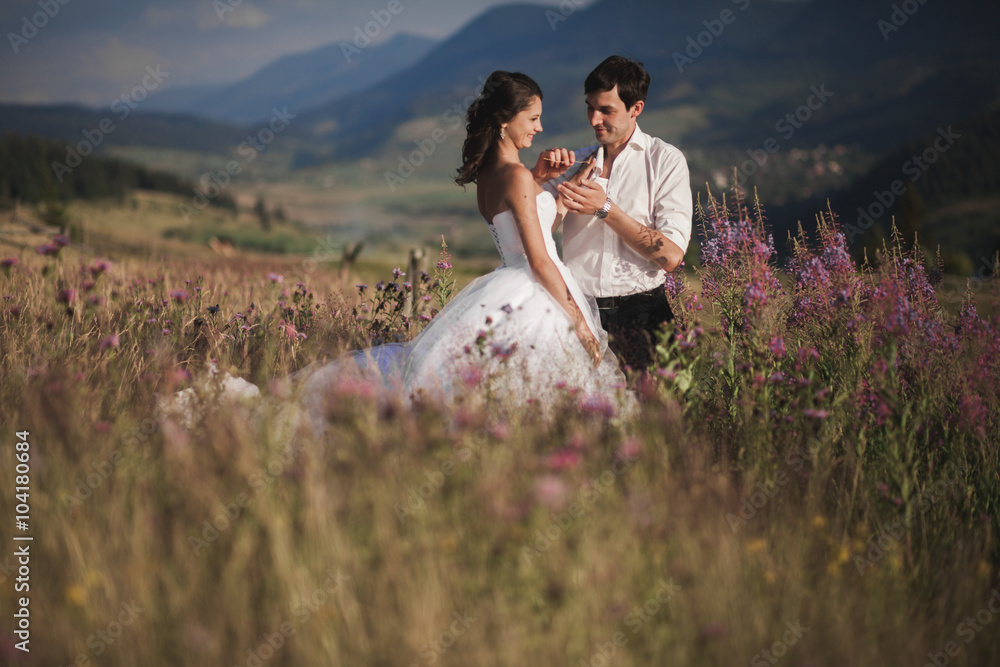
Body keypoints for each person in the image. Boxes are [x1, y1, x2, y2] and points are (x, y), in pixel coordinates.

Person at [399, 70, 627, 410]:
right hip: (537, 293)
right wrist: (582, 327)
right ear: (504, 120)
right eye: (533, 119)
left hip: (510, 286)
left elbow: (526, 235)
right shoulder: (516, 175)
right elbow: (538, 259)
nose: (539, 128)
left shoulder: (489, 175)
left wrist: (553, 189)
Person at [531, 56, 693, 372]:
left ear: (636, 109)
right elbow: (534, 235)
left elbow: (670, 256)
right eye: (590, 107)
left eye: (606, 110)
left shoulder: (665, 161)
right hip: (578, 314)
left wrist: (605, 209)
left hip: (644, 314)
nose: (594, 119)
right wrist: (538, 180)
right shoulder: (573, 163)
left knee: (652, 418)